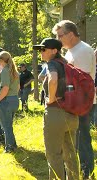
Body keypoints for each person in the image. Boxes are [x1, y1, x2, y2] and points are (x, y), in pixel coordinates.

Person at [53, 20, 96, 179]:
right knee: (74, 141)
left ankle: (87, 173)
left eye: (60, 35)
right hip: (73, 103)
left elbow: (81, 81)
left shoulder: (83, 50)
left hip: (81, 104)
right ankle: (76, 171)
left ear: (71, 34)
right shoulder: (71, 50)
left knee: (82, 139)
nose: (58, 39)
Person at [33, 38, 79, 179]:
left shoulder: (52, 64)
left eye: (43, 49)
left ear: (54, 51)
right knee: (70, 153)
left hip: (56, 113)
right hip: (72, 113)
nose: (41, 52)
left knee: (54, 154)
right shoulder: (67, 64)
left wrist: (51, 99)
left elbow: (53, 79)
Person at [0, 51, 19, 153]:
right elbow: (18, 87)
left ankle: (9, 147)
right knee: (8, 125)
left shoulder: (5, 71)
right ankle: (13, 144)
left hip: (5, 101)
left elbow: (5, 88)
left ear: (2, 60)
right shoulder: (14, 71)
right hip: (14, 99)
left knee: (5, 126)